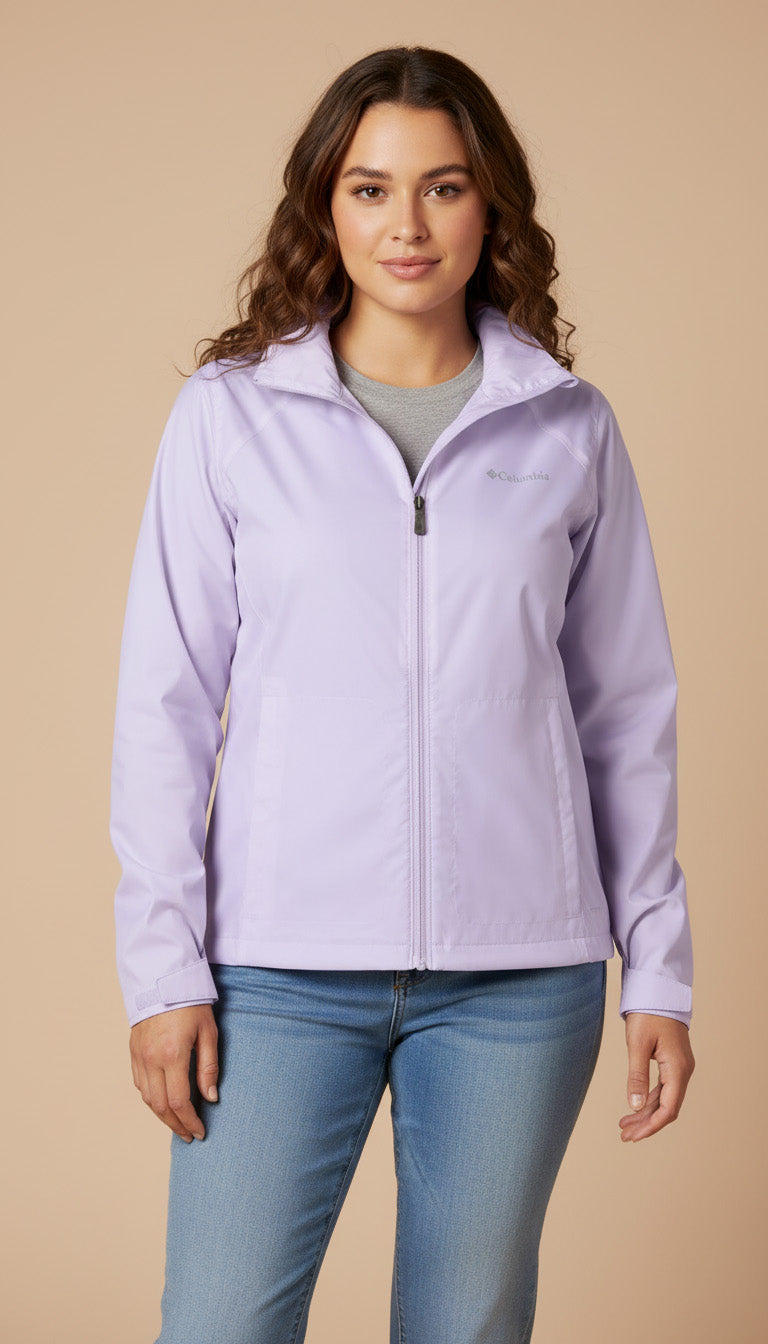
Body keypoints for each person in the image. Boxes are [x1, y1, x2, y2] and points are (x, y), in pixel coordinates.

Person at [109, 45, 696, 1344]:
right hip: (274, 970)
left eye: (444, 187)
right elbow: (165, 703)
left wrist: (658, 970)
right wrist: (161, 969)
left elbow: (626, 714)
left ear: (491, 207)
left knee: (466, 1330)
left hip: (518, 977)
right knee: (218, 1323)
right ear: (324, 206)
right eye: (371, 189)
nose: (408, 225)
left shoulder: (568, 426)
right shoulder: (232, 416)